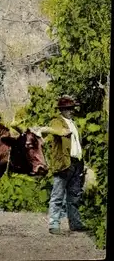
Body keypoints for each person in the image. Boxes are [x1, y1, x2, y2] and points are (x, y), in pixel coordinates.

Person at [43, 95, 88, 235]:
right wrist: (60, 132)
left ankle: (75, 223)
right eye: (67, 108)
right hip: (63, 163)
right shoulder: (57, 121)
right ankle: (54, 224)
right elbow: (52, 130)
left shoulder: (73, 123)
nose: (70, 110)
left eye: (71, 108)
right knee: (57, 195)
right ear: (61, 110)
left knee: (74, 195)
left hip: (76, 163)